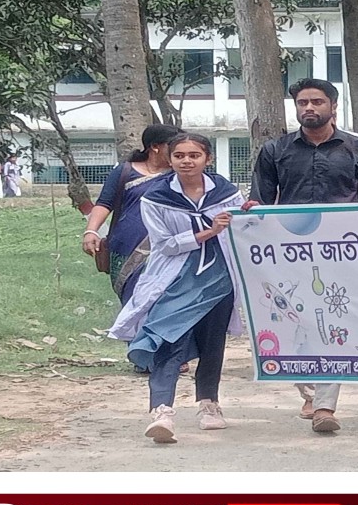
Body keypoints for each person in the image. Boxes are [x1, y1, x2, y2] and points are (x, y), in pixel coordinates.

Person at [248, 78, 358, 433]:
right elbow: (260, 203)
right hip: (288, 253)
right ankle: (308, 390)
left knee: (330, 320)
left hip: (343, 252)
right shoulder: (274, 150)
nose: (309, 108)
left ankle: (325, 404)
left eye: (317, 102)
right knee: (294, 321)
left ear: (333, 106)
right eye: (302, 103)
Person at [108, 134, 244, 444]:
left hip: (219, 279)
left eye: (194, 155)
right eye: (179, 155)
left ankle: (209, 403)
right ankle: (161, 411)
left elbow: (243, 229)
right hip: (175, 280)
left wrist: (249, 214)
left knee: (213, 343)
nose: (187, 161)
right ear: (169, 159)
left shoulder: (226, 192)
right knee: (167, 340)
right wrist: (207, 232)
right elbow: (165, 245)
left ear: (207, 159)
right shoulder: (156, 197)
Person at [82, 124, 184, 373]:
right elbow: (104, 203)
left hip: (168, 248)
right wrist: (91, 231)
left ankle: (169, 355)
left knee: (166, 300)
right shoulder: (125, 171)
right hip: (125, 247)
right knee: (135, 301)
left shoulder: (181, 175)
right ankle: (142, 355)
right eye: (173, 147)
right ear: (155, 147)